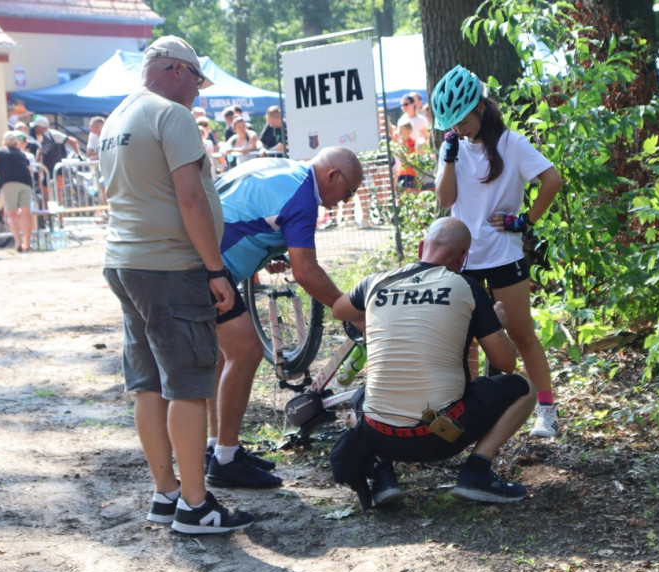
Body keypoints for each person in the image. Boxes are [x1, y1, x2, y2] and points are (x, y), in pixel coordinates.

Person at [100, 35, 252, 534]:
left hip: (126, 262)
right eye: (196, 80)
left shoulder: (119, 117)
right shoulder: (170, 114)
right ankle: (195, 505)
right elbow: (190, 197)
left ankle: (166, 493)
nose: (198, 92)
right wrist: (214, 269)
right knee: (188, 382)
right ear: (175, 70)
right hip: (170, 268)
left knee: (147, 382)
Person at [328, 217, 535, 510]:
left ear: (421, 247)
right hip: (441, 437)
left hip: (380, 437)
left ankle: (383, 475)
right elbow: (506, 363)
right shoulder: (467, 287)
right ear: (463, 258)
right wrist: (496, 326)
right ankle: (476, 471)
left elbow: (339, 309)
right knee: (524, 387)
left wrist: (369, 321)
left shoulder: (375, 282)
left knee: (362, 396)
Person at [205, 146, 363, 488]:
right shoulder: (304, 196)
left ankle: (218, 448)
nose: (345, 201)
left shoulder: (284, 168)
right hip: (206, 267)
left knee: (222, 356)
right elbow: (306, 272)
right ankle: (225, 460)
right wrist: (350, 311)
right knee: (245, 351)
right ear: (333, 175)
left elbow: (244, 210)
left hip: (196, 255)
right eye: (349, 192)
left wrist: (267, 248)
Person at [432, 65, 565, 438]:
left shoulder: (512, 144)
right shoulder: (452, 147)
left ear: (481, 108)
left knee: (522, 333)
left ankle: (546, 412)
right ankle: (469, 413)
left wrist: (525, 221)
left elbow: (552, 180)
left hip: (504, 255)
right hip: (464, 259)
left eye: (462, 119)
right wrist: (449, 157)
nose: (458, 128)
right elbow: (445, 201)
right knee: (465, 340)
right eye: (451, 122)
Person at [0, 131, 35, 252]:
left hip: (9, 182)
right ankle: (27, 243)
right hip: (26, 182)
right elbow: (29, 168)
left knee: (11, 215)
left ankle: (17, 242)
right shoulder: (21, 153)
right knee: (26, 213)